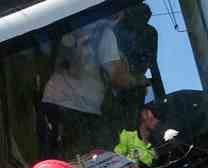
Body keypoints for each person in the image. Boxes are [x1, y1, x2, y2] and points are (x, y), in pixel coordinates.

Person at [39, 18, 136, 158]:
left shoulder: (74, 23)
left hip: (52, 98)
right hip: (78, 108)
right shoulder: (105, 33)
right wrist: (133, 78)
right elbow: (117, 78)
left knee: (53, 160)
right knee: (77, 163)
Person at [113, 102, 162, 167]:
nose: (157, 121)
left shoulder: (159, 138)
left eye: (157, 118)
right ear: (143, 116)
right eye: (154, 117)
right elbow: (115, 161)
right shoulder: (127, 135)